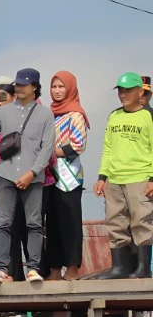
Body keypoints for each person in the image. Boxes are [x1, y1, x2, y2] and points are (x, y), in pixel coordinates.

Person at [0, 68, 52, 284]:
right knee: (4, 223)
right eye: (17, 84)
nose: (18, 88)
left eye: (23, 84)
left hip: (33, 176)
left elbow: (47, 148)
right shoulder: (4, 111)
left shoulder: (45, 114)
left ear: (35, 87)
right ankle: (1, 268)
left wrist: (32, 172)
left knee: (34, 224)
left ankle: (33, 268)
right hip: (6, 175)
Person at [95, 72, 153, 279]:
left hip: (140, 177)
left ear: (140, 92)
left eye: (128, 90)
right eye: (120, 90)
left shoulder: (149, 116)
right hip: (115, 178)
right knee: (115, 221)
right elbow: (108, 148)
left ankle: (143, 268)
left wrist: (152, 179)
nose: (123, 94)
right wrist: (102, 177)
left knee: (141, 221)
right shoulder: (114, 115)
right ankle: (119, 267)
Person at [44, 71, 89, 280]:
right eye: (54, 86)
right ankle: (54, 268)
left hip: (69, 176)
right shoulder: (48, 114)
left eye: (62, 86)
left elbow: (78, 144)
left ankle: (72, 268)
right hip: (49, 175)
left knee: (70, 222)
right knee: (51, 223)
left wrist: (52, 152)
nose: (57, 91)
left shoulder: (76, 114)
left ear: (70, 88)